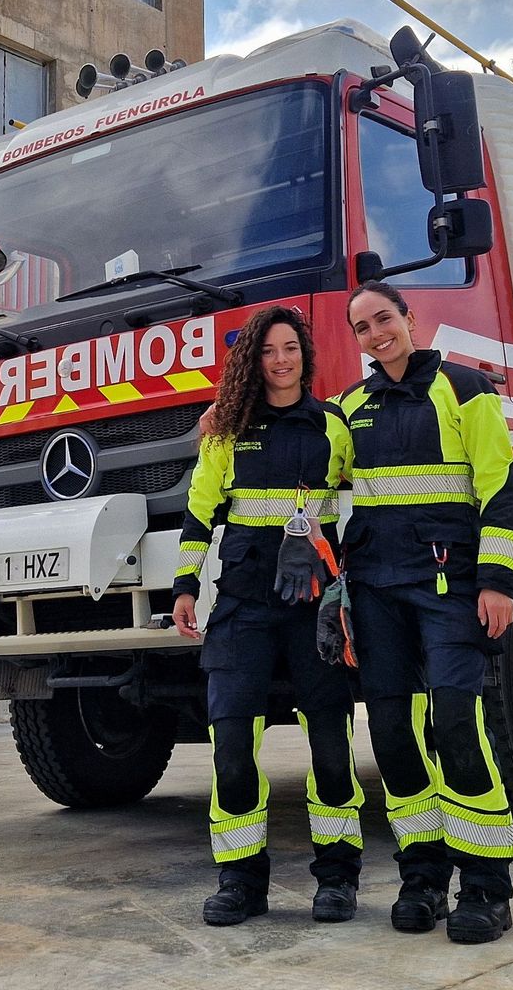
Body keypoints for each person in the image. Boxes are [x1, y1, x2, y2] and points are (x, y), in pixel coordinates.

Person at [337, 281, 513, 944]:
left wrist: (497, 581)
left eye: (383, 318)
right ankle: (423, 877)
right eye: (361, 327)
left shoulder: (464, 387)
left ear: (410, 319)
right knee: (391, 735)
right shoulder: (350, 405)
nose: (375, 334)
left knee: (455, 722)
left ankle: (485, 886)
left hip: (449, 585)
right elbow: (313, 472)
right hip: (375, 590)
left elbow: (502, 486)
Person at [171, 305, 364, 927]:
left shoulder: (335, 427)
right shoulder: (225, 431)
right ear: (252, 362)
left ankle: (336, 880)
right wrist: (183, 585)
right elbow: (201, 512)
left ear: (305, 355)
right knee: (230, 745)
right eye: (268, 351)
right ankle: (240, 881)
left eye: (290, 348)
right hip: (243, 606)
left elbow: (370, 496)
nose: (281, 361)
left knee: (331, 749)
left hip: (316, 609)